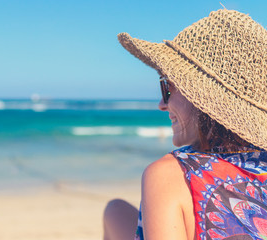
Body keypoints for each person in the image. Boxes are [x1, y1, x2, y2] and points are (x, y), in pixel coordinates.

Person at [103, 9, 267, 240]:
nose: (162, 103)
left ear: (200, 95)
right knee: (115, 211)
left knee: (114, 211)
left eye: (167, 86)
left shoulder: (172, 175)